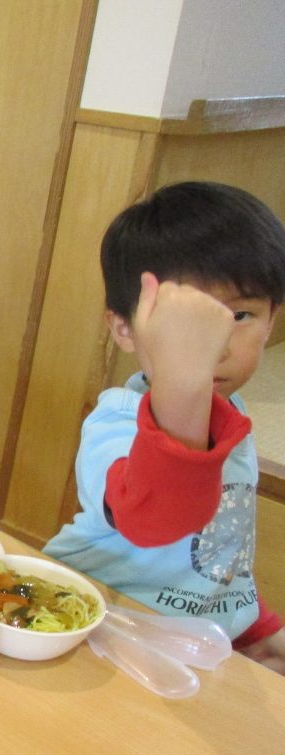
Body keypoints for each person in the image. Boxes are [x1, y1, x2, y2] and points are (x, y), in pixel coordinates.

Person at [44, 181, 285, 681]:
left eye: (240, 315)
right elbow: (154, 520)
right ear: (124, 328)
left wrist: (255, 626)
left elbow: (222, 552)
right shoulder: (115, 422)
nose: (214, 345)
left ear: (272, 321)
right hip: (90, 619)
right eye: (184, 323)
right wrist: (184, 379)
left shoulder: (234, 416)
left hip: (188, 642)